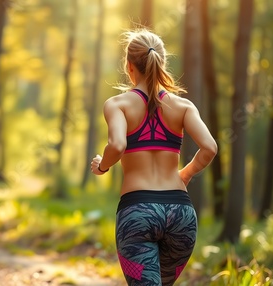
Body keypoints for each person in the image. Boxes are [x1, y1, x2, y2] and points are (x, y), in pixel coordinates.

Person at [90, 29, 217, 285]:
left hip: (138, 212)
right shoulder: (183, 106)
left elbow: (116, 145)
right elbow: (209, 148)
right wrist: (186, 174)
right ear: (161, 62)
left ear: (129, 66)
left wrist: (102, 166)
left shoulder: (117, 104)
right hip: (181, 214)